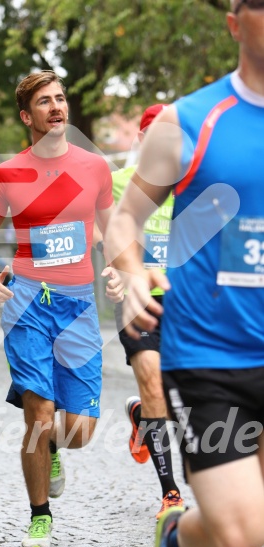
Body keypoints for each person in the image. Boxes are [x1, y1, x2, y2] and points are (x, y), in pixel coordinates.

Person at [106, 1, 264, 547]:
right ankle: (176, 541)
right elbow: (124, 219)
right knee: (238, 534)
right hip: (211, 356)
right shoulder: (190, 119)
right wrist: (130, 273)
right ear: (234, 22)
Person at [0, 70, 123, 547]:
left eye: (60, 98)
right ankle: (39, 516)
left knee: (78, 431)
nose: (56, 107)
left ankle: (54, 448)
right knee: (39, 410)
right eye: (44, 102)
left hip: (77, 305)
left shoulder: (95, 167)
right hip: (27, 299)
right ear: (26, 116)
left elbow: (108, 231)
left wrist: (117, 268)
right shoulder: (8, 173)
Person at [111, 105, 183, 520]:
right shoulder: (118, 183)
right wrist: (118, 266)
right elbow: (105, 230)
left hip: (186, 303)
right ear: (140, 139)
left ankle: (141, 414)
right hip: (138, 301)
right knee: (153, 385)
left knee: (186, 393)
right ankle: (170, 493)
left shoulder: (192, 188)